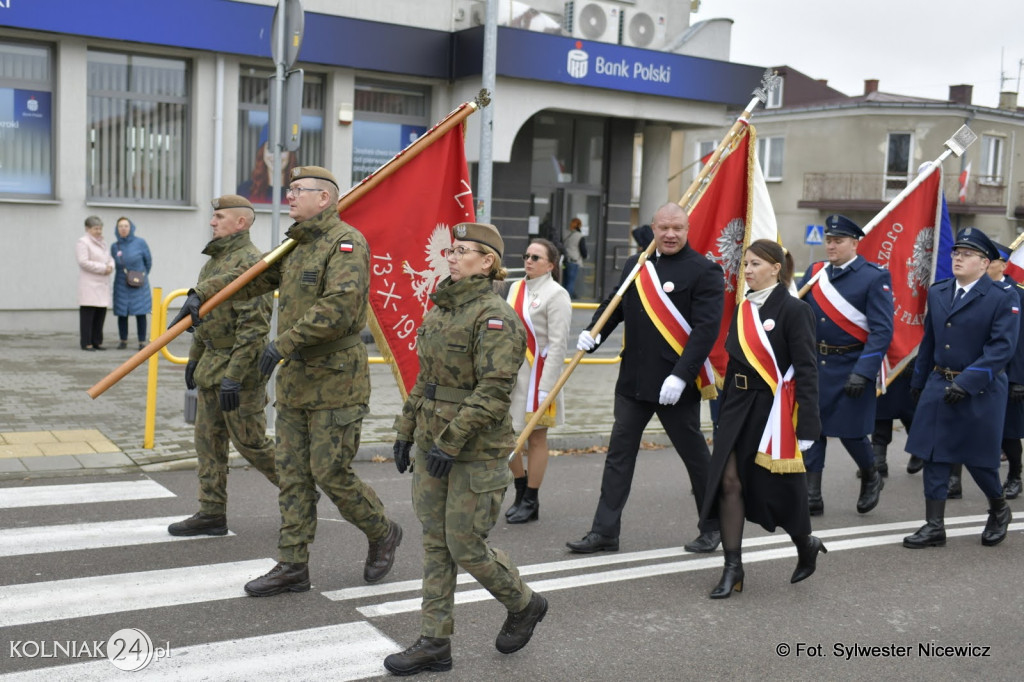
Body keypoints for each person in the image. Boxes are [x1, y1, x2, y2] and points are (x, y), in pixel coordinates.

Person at [173, 166, 401, 596]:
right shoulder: (295, 245)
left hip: (336, 378)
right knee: (294, 474)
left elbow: (339, 306)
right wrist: (202, 293)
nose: (289, 195)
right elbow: (253, 277)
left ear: (326, 198)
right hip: (296, 379)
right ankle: (293, 564)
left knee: (330, 472)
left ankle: (382, 529)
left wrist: (283, 343)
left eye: (299, 190)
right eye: (290, 189)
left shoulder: (346, 244)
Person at [386, 222, 547, 676]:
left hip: (473, 451)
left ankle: (525, 602)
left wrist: (451, 441)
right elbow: (426, 380)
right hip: (433, 444)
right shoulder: (440, 309)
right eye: (452, 250)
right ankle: (434, 642)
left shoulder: (495, 317)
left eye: (464, 251)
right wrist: (404, 431)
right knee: (436, 543)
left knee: (465, 544)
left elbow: (494, 392)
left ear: (488, 261)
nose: (452, 256)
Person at [567, 202, 723, 556]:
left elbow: (705, 331)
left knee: (696, 457)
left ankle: (713, 525)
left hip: (674, 387)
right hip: (633, 382)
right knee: (618, 457)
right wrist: (593, 333)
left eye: (677, 228)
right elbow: (615, 306)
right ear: (653, 228)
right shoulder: (637, 266)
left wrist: (682, 376)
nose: (670, 234)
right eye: (664, 227)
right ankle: (604, 531)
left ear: (687, 230)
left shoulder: (704, 271)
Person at [700, 239, 823, 598]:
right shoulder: (743, 309)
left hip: (771, 410)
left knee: (776, 488)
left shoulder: (794, 310)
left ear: (776, 268)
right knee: (728, 482)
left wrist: (808, 425)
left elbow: (807, 371)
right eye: (745, 265)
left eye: (755, 264)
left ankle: (805, 542)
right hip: (736, 404)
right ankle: (732, 567)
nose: (748, 271)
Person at [167, 195, 280, 538]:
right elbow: (203, 317)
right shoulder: (214, 261)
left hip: (240, 373)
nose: (212, 222)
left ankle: (301, 489)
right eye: (213, 217)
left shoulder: (251, 263)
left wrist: (234, 377)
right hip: (212, 367)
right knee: (208, 443)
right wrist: (194, 357)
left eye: (219, 217)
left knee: (252, 445)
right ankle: (211, 512)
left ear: (241, 223)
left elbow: (254, 330)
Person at [904, 227, 1016, 548]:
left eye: (967, 255)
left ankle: (998, 508)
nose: (958, 258)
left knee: (979, 460)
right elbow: (931, 340)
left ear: (984, 263)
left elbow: (1000, 349)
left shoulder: (1002, 297)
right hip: (940, 382)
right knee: (934, 454)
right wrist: (919, 379)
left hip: (981, 389)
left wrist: (967, 383)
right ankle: (934, 526)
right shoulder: (939, 292)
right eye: (956, 253)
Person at [797, 214, 893, 516]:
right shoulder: (815, 273)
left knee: (852, 432)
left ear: (855, 243)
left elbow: (882, 331)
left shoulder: (874, 276)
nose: (831, 245)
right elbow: (797, 316)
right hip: (816, 364)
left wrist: (863, 372)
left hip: (852, 364)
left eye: (838, 240)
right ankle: (812, 493)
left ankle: (870, 474)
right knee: (813, 429)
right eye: (828, 240)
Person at [947, 242, 1024, 500]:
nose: (989, 264)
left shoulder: (1016, 294)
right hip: (966, 373)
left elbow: (1019, 342)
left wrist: (1019, 379)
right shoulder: (965, 290)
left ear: (1004, 265)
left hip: (1005, 376)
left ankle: (1015, 474)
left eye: (994, 261)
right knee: (958, 426)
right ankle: (954, 479)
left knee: (1008, 432)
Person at [504, 237, 573, 524]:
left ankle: (531, 499)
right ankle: (519, 491)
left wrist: (547, 386)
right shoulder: (516, 287)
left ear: (550, 265)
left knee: (535, 437)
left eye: (535, 257)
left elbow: (558, 344)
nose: (528, 261)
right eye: (526, 256)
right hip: (513, 375)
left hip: (539, 376)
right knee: (508, 436)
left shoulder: (557, 294)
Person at [111, 216, 153, 350]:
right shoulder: (114, 246)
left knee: (141, 313)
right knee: (122, 313)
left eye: (126, 226)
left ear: (131, 228)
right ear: (117, 229)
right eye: (120, 226)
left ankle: (142, 341)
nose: (123, 229)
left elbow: (148, 262)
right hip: (121, 283)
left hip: (139, 283)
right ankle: (123, 340)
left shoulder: (140, 243)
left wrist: (140, 275)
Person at [75, 216, 114, 351]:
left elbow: (109, 258)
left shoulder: (103, 242)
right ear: (87, 229)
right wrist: (104, 268)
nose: (98, 231)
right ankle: (86, 342)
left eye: (100, 228)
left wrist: (110, 266)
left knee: (100, 314)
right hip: (90, 284)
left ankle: (97, 341)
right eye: (95, 228)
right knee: (88, 315)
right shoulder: (83, 242)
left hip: (102, 283)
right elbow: (83, 262)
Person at [236, 124, 298, 204]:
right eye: (270, 149)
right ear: (262, 153)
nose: (276, 156)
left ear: (290, 154)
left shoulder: (299, 194)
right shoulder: (244, 191)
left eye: (282, 149)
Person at [562, 217, 585, 298]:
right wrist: (585, 256)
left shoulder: (565, 234)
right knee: (570, 282)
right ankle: (567, 299)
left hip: (565, 260)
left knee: (565, 281)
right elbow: (583, 250)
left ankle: (563, 297)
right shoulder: (579, 236)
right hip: (574, 261)